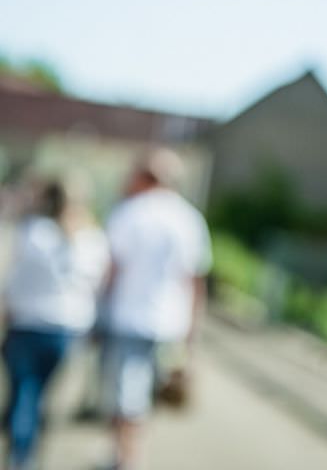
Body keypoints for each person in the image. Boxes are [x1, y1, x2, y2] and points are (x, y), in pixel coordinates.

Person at [100, 149, 212, 470]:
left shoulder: (129, 212)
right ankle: (126, 456)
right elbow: (195, 282)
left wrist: (98, 313)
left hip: (128, 319)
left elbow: (111, 270)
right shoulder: (190, 218)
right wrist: (193, 335)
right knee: (146, 398)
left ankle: (128, 459)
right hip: (170, 324)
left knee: (126, 398)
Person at [1, 178, 109, 470]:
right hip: (67, 328)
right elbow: (99, 287)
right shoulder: (93, 239)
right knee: (40, 395)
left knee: (24, 393)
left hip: (27, 323)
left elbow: (14, 279)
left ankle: (20, 456)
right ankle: (28, 453)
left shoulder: (33, 231)